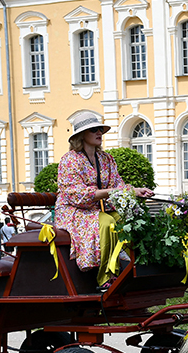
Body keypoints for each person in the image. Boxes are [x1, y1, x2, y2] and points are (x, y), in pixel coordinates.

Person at [55, 112, 154, 291]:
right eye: (94, 129)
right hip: (73, 211)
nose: (99, 132)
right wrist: (111, 192)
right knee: (107, 222)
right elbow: (77, 195)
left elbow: (118, 185)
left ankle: (128, 270)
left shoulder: (105, 159)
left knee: (127, 220)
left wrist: (136, 191)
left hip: (95, 209)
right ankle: (104, 278)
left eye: (100, 129)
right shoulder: (69, 160)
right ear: (81, 135)